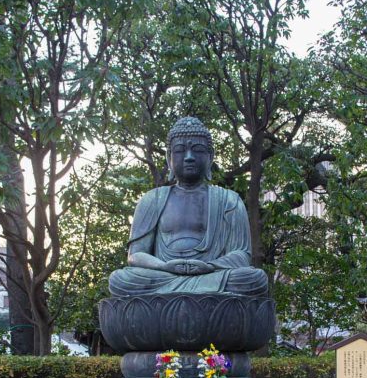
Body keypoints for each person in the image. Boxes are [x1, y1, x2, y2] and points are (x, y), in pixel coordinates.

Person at [108, 117, 269, 297]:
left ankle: (181, 298)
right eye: (180, 151)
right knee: (121, 279)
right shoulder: (152, 200)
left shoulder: (229, 201)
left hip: (212, 275)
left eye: (198, 150)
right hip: (163, 276)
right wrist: (164, 266)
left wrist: (209, 266)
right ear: (169, 158)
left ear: (210, 157)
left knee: (253, 278)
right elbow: (136, 255)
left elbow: (241, 256)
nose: (189, 157)